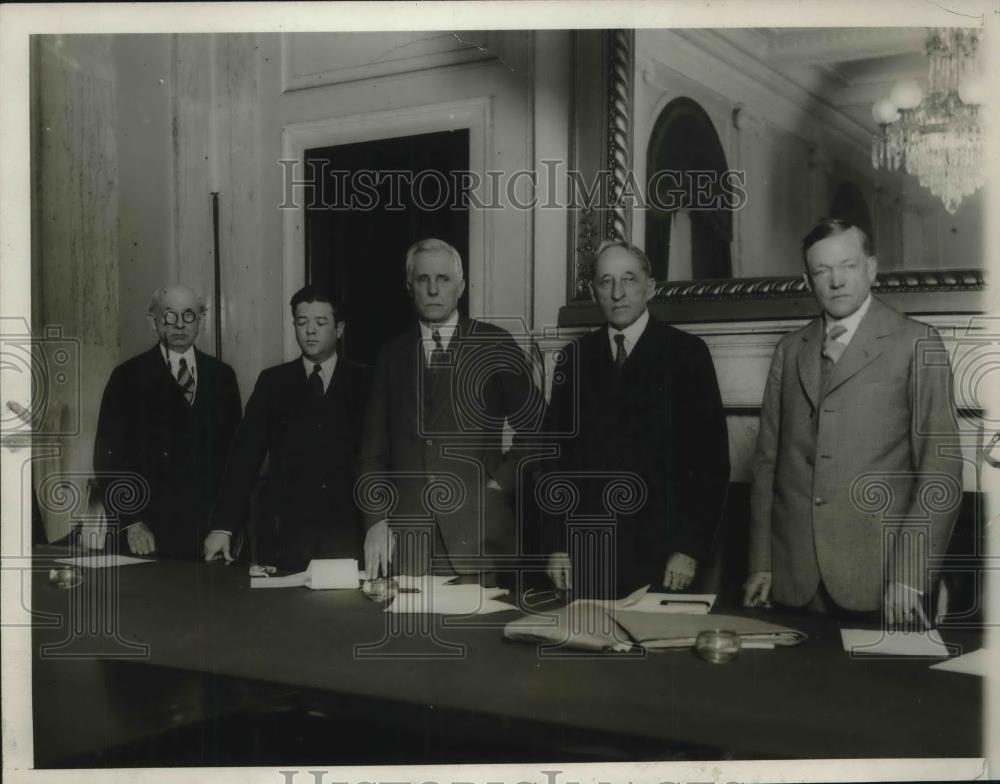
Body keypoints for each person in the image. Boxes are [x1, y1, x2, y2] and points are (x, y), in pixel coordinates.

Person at [744, 218, 962, 625]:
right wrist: (763, 562)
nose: (836, 281)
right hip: (794, 579)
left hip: (881, 581)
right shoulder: (790, 350)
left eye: (847, 266)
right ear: (808, 279)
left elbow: (941, 472)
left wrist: (910, 577)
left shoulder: (916, 342)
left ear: (872, 268)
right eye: (822, 271)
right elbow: (766, 466)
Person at [543, 240, 730, 599]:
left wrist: (688, 549)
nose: (617, 293)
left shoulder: (687, 354)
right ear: (594, 290)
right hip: (588, 554)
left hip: (664, 556)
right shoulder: (574, 359)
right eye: (605, 281)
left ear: (650, 287)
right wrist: (557, 546)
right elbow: (555, 465)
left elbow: (711, 465)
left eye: (628, 280)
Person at [359, 238, 543, 582]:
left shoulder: (494, 343)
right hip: (407, 543)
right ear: (409, 286)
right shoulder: (391, 356)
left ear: (460, 287)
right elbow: (372, 452)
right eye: (422, 279)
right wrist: (376, 520)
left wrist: (501, 482)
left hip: (480, 536)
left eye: (443, 279)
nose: (432, 289)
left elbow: (539, 428)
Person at [205, 285, 370, 572]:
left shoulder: (367, 381)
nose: (310, 331)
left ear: (340, 328)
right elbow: (244, 458)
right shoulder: (273, 383)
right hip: (286, 537)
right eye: (302, 322)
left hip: (349, 534)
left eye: (321, 323)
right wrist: (223, 527)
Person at [93, 284, 242, 559]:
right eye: (169, 316)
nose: (179, 325)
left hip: (208, 533)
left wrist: (226, 526)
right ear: (153, 320)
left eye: (189, 315)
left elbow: (235, 459)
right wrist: (132, 522)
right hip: (147, 533)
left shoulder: (222, 376)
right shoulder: (127, 377)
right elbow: (108, 458)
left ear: (200, 320)